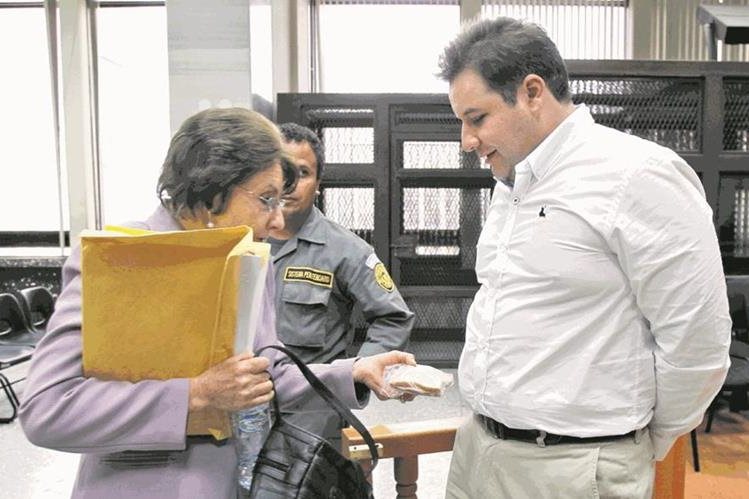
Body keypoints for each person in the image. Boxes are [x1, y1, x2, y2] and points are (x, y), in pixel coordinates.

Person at [19, 108, 415, 499]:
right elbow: (48, 409)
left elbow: (261, 375)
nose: (277, 223)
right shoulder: (119, 261)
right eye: (266, 199)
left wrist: (354, 372)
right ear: (212, 191)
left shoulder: (247, 260)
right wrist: (196, 394)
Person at [439, 17, 731, 498]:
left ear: (532, 92)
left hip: (574, 467)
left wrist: (633, 444)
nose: (466, 141)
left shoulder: (635, 175)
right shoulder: (512, 183)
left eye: (477, 118)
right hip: (481, 450)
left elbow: (697, 341)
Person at [268, 122, 414, 444]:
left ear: (319, 183)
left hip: (313, 418)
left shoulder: (346, 250)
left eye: (302, 173)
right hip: (245, 411)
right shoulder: (241, 242)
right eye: (280, 171)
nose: (288, 184)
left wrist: (358, 371)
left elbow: (393, 316)